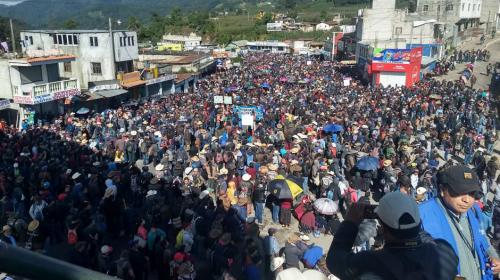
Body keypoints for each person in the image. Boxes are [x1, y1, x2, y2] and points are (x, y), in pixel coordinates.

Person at [327, 192, 459, 279]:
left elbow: (334, 260)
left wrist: (350, 222)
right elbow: (425, 237)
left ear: (383, 229)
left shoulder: (371, 262)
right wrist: (412, 227)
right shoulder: (444, 250)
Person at [419, 165, 500, 280]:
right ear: (442, 190)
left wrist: (493, 256)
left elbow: (482, 237)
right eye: (459, 192)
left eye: (472, 193)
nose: (467, 200)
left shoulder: (474, 210)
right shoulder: (422, 216)